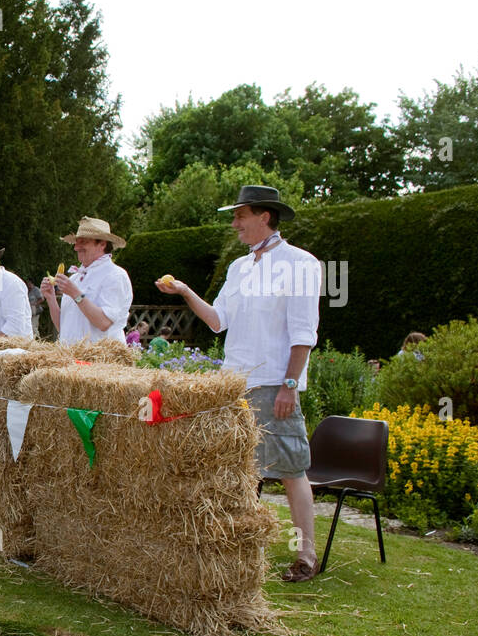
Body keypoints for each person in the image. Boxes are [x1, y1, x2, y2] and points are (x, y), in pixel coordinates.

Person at [156, 185, 320, 582]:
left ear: (265, 217)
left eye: (240, 215)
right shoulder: (238, 267)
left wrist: (289, 386)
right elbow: (217, 320)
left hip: (273, 384)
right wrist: (183, 291)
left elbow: (303, 333)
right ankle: (243, 545)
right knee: (241, 469)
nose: (234, 224)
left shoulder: (300, 264)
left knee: (291, 469)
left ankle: (306, 556)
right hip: (234, 385)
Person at [41, 216, 133, 345]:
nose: (76, 247)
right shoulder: (75, 278)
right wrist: (50, 298)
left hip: (102, 359)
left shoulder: (115, 275)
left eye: (83, 242)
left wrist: (75, 294)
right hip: (72, 358)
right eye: (76, 242)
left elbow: (104, 323)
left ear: (102, 244)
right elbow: (63, 328)